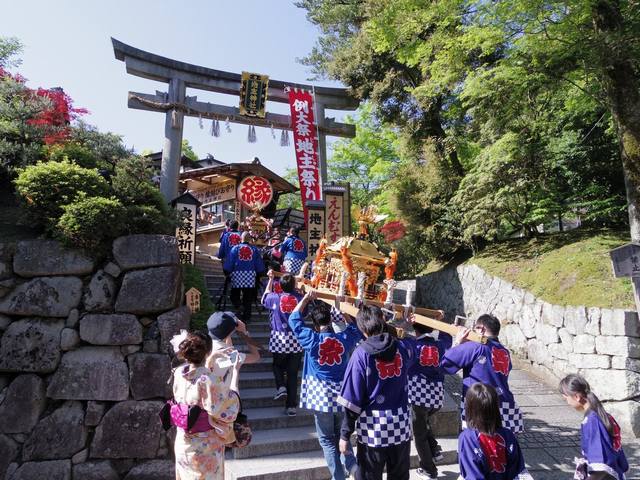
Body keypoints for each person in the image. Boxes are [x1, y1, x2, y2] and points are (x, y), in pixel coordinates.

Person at [288, 290, 363, 480]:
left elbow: (293, 320)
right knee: (342, 436)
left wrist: (305, 299)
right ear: (330, 320)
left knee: (327, 441)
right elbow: (356, 328)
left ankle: (338, 477)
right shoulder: (343, 339)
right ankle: (353, 468)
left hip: (320, 398)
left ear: (314, 324)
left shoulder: (311, 339)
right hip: (343, 396)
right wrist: (342, 308)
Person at [337, 304, 415, 480]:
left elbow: (352, 400)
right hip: (401, 423)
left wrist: (344, 434)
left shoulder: (361, 354)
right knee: (399, 475)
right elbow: (414, 352)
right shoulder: (402, 348)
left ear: (362, 328)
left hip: (373, 428)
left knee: (369, 476)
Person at [171, 330, 241, 480]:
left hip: (183, 441)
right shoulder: (210, 380)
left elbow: (198, 379)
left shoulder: (178, 373)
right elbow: (227, 410)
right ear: (208, 351)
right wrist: (235, 374)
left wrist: (209, 361)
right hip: (205, 445)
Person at [440, 314, 524, 433]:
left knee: (477, 443)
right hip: (504, 403)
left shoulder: (475, 347)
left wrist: (458, 342)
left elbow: (445, 365)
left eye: (475, 328)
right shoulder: (504, 351)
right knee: (500, 443)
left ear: (481, 329)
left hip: (479, 402)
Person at [405, 322, 452, 479]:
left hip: (417, 396)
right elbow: (448, 336)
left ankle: (428, 470)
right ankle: (434, 449)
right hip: (436, 397)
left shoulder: (412, 344)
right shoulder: (440, 344)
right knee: (423, 424)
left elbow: (398, 339)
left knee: (418, 434)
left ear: (414, 329)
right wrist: (440, 323)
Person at [559, 374, 629, 480]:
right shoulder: (602, 415)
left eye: (566, 399)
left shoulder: (592, 422)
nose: (567, 403)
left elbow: (601, 469)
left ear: (577, 397)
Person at [458, 383, 532, 479]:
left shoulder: (467, 437)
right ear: (496, 407)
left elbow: (472, 474)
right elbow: (517, 468)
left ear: (470, 409)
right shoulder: (508, 434)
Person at [262, 269, 304, 416]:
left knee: (277, 365)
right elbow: (304, 312)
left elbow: (265, 297)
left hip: (279, 338)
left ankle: (281, 387)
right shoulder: (300, 299)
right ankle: (291, 406)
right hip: (296, 339)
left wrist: (270, 279)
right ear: (293, 285)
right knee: (292, 374)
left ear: (280, 285)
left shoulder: (276, 297)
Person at [223, 231, 265, 324]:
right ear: (249, 239)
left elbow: (230, 262)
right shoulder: (254, 249)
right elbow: (259, 264)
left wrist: (227, 271)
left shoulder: (235, 249)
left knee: (234, 295)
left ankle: (238, 306)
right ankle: (247, 317)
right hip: (250, 276)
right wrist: (260, 272)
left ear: (241, 239)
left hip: (237, 275)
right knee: (248, 297)